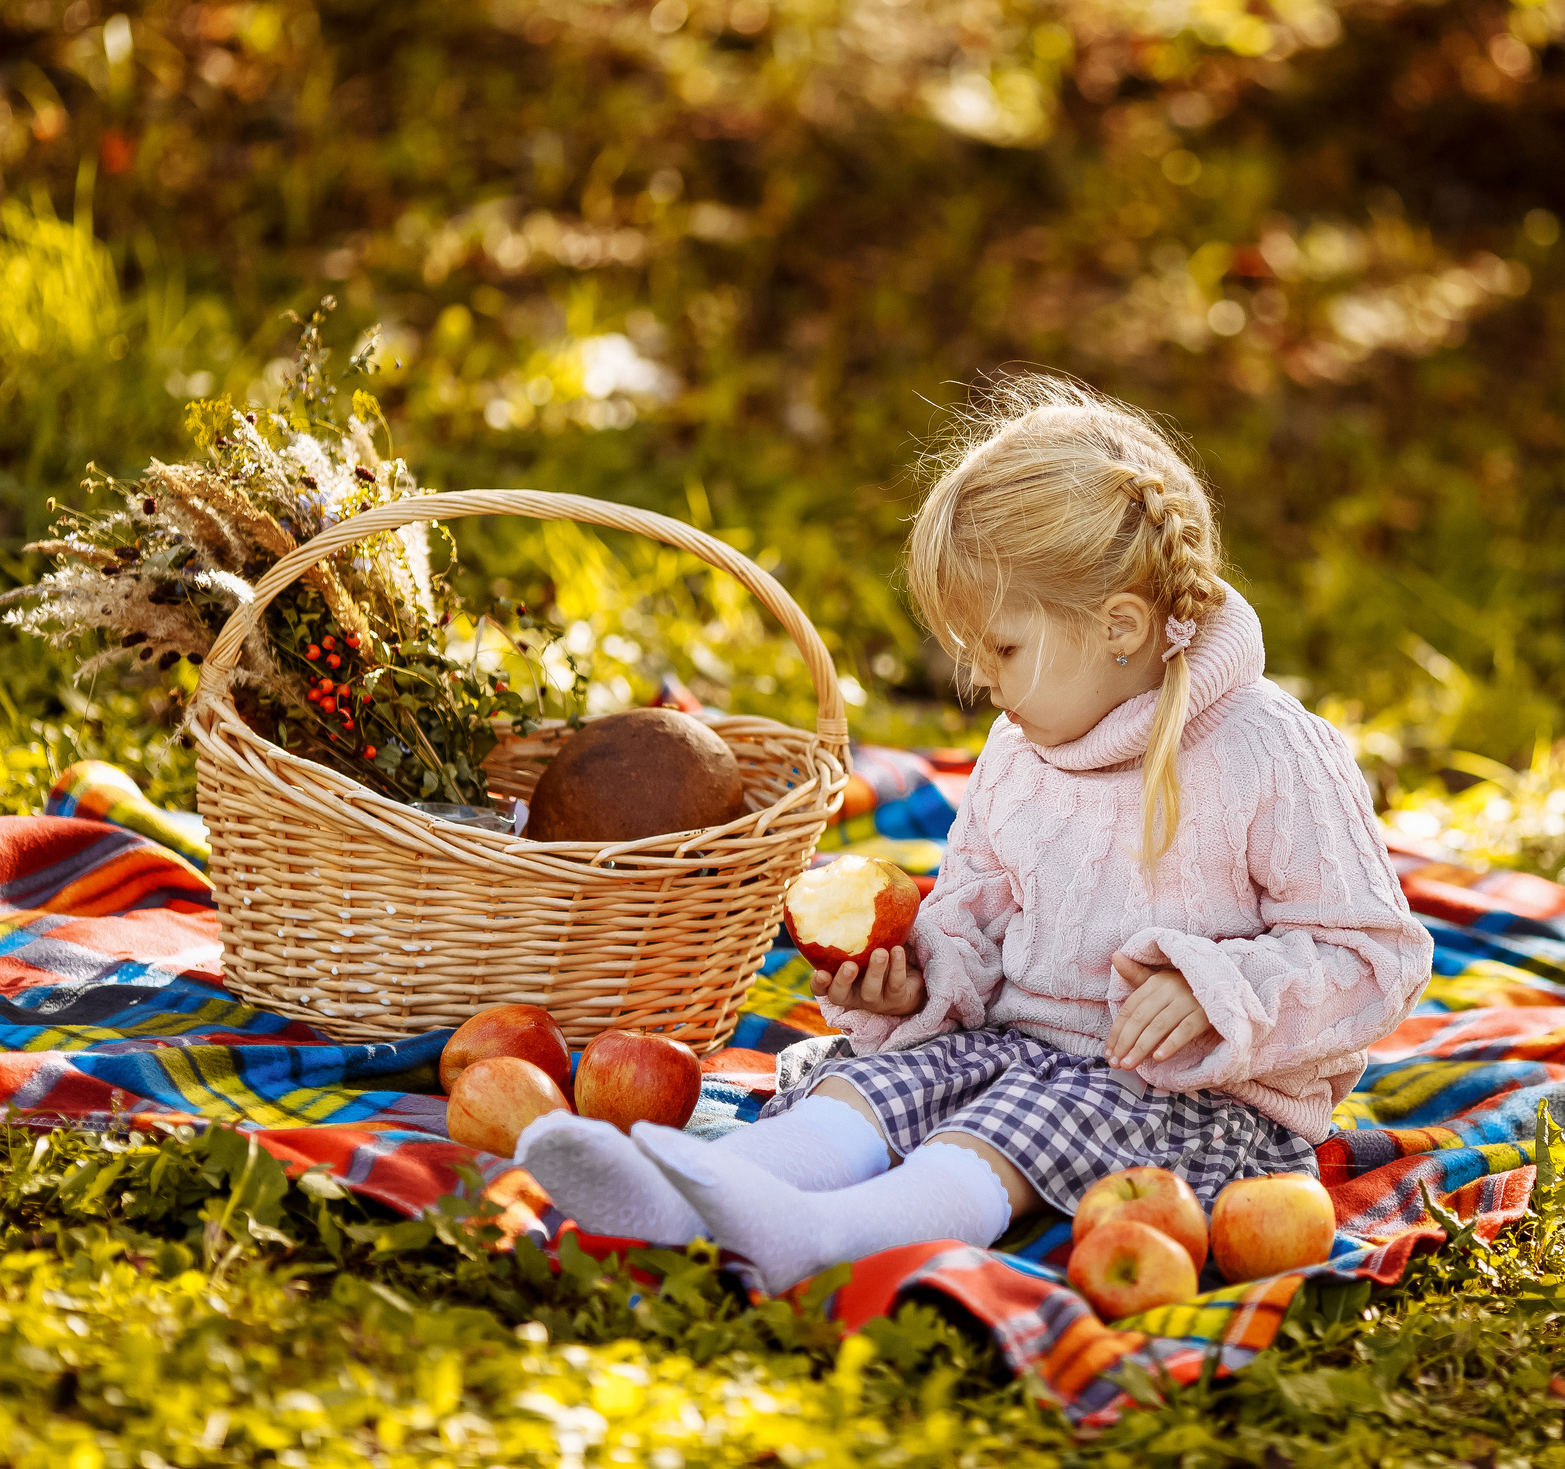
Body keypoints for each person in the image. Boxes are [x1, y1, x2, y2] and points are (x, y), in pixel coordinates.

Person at [520, 377, 1433, 1290]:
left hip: (1198, 1096)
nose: (981, 682)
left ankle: (822, 1232)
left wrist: (1218, 991)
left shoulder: (1266, 751)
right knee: (877, 1083)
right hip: (1018, 1044)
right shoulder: (1018, 747)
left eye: (1000, 649)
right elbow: (978, 908)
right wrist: (918, 977)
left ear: (1120, 626)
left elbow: (1377, 956)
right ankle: (703, 1190)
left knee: (1019, 1123)